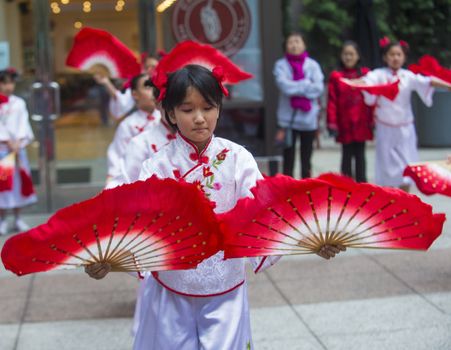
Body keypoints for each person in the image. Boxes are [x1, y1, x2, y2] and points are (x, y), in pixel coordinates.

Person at [86, 64, 344, 349]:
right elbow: (137, 224)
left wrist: (311, 240)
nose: (199, 118)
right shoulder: (156, 165)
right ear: (170, 113)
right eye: (187, 110)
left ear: (219, 109)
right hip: (171, 287)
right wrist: (108, 260)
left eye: (208, 107)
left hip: (226, 287)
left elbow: (267, 213)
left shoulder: (238, 159)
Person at [360, 39, 451, 191]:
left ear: (404, 57)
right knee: (386, 168)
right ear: (385, 57)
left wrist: (448, 85)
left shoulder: (408, 76)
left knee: (407, 167)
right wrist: (353, 82)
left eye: (398, 54)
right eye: (391, 54)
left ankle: (406, 201)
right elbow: (366, 82)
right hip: (385, 128)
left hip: (405, 130)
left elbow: (428, 81)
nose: (395, 58)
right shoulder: (378, 74)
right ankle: (390, 200)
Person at [273, 32, 324, 178]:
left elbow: (318, 88)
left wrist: (296, 87)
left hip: (308, 119)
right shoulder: (280, 65)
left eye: (297, 41)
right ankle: (288, 189)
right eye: (291, 42)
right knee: (288, 158)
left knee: (306, 158)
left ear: (304, 45)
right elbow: (285, 87)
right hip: (288, 120)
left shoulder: (313, 65)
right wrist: (306, 84)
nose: (294, 45)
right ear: (286, 46)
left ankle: (306, 189)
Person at [327, 41, 374, 182]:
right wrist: (332, 123)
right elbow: (332, 100)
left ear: (358, 56)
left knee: (360, 155)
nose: (348, 57)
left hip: (361, 121)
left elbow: (372, 98)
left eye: (351, 54)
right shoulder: (336, 76)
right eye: (345, 54)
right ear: (341, 56)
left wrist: (372, 120)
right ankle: (345, 188)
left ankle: (362, 188)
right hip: (344, 122)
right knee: (346, 155)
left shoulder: (366, 74)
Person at [106, 74, 160, 188]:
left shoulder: (167, 120)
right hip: (136, 180)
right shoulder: (128, 125)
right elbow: (117, 156)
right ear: (135, 94)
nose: (153, 92)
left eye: (155, 87)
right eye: (147, 88)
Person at [0, 68, 37, 235]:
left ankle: (17, 218)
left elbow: (23, 124)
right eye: (4, 82)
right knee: (3, 186)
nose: (8, 86)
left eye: (11, 82)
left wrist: (19, 141)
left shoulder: (19, 103)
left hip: (17, 149)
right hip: (2, 150)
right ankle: (2, 220)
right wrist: (7, 140)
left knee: (18, 184)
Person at [94, 54, 159, 120]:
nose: (149, 70)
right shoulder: (137, 84)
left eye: (153, 67)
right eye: (146, 67)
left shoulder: (166, 84)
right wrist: (106, 82)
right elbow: (121, 100)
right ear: (135, 94)